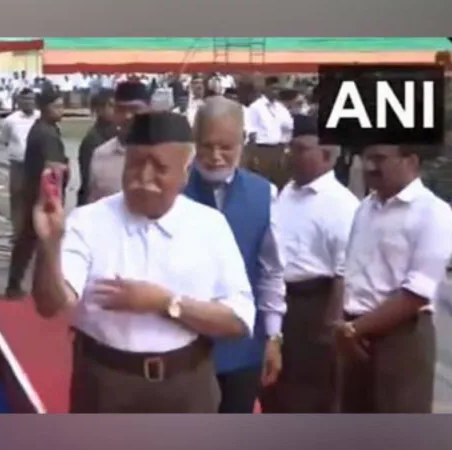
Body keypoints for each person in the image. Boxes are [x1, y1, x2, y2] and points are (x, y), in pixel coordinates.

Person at [31, 111, 255, 413]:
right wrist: (50, 244)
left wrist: (165, 303)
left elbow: (238, 321)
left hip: (187, 386)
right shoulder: (88, 221)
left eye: (160, 168)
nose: (144, 178)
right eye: (136, 164)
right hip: (107, 383)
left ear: (185, 172)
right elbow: (50, 304)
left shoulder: (209, 225)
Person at [183, 96, 286, 413]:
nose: (215, 156)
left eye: (226, 147)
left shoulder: (265, 194)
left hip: (244, 346)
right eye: (206, 145)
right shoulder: (174, 192)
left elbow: (271, 271)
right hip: (185, 345)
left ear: (242, 142)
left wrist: (273, 335)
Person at [337, 144, 452, 413]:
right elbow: (350, 270)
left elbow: (417, 292)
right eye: (365, 158)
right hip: (355, 335)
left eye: (379, 159)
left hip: (401, 337)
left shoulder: (434, 213)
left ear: (410, 161)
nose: (369, 167)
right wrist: (345, 326)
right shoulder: (366, 207)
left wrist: (356, 329)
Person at [260, 114, 359, 413]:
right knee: (275, 389)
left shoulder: (341, 205)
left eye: (301, 149)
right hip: (279, 301)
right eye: (292, 147)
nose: (291, 155)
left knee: (309, 394)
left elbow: (345, 273)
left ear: (326, 155)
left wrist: (329, 331)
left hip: (314, 307)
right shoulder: (286, 193)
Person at [5, 89, 66, 299]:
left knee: (28, 239)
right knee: (38, 241)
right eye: (56, 106)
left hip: (35, 191)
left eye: (61, 106)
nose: (61, 110)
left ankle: (16, 283)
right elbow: (53, 167)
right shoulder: (46, 133)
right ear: (44, 108)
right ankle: (25, 286)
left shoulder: (45, 128)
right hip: (42, 195)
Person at [86, 81, 150, 203]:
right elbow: (93, 201)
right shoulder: (100, 154)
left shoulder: (165, 154)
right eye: (121, 109)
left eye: (134, 109)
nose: (127, 116)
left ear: (149, 111)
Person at [0, 88, 40, 235]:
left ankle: (34, 231)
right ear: (19, 101)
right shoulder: (11, 120)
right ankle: (17, 231)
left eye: (31, 99)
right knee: (17, 198)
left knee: (35, 198)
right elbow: (3, 139)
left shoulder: (40, 117)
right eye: (25, 99)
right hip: (18, 164)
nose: (29, 102)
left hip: (35, 164)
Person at [76, 88, 117, 206]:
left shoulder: (117, 134)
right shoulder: (93, 140)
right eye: (111, 105)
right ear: (99, 109)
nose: (115, 110)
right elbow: (89, 179)